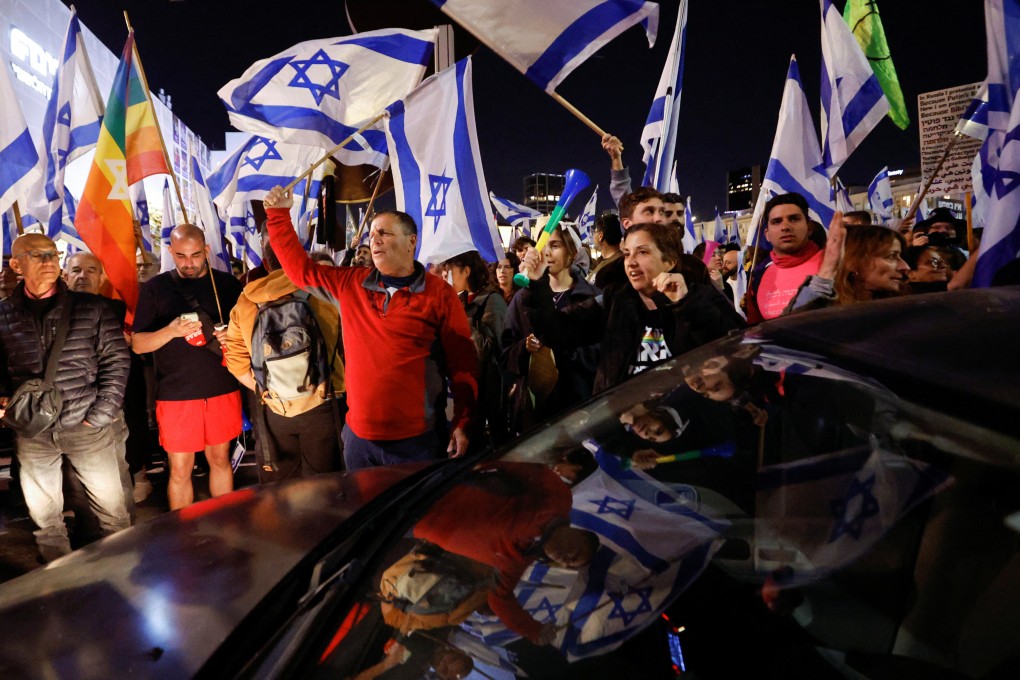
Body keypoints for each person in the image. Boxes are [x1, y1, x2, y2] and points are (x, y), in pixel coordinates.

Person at [262, 186, 478, 469]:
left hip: (418, 441)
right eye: (372, 233)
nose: (373, 240)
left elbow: (463, 363)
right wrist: (278, 215)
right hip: (360, 441)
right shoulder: (350, 283)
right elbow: (301, 270)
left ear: (411, 242)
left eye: (384, 233)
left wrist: (463, 422)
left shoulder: (439, 293)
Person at [0, 234, 131, 562]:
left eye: (52, 254)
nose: (48, 261)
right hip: (33, 434)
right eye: (37, 255)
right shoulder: (4, 315)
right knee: (46, 521)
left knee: (113, 513)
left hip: (85, 426)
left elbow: (116, 362)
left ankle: (123, 573)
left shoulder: (92, 308)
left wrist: (99, 415)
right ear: (16, 265)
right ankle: (60, 583)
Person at [519, 222, 744, 394]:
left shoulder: (701, 296)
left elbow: (734, 348)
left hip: (682, 421)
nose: (631, 261)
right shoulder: (615, 300)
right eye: (627, 253)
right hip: (624, 427)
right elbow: (556, 332)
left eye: (643, 252)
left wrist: (686, 304)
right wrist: (537, 285)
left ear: (670, 260)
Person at [412, 462, 598, 645]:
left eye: (570, 564)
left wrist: (533, 630)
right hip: (437, 487)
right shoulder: (559, 501)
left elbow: (500, 600)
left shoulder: (517, 561)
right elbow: (529, 468)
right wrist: (479, 463)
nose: (567, 561)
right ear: (578, 532)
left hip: (414, 522)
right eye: (577, 553)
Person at [131, 224, 243, 510]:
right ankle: (182, 536)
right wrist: (170, 331)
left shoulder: (227, 285)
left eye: (195, 255)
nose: (189, 263)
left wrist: (230, 336)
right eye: (180, 256)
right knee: (180, 469)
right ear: (170, 251)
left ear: (206, 250)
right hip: (176, 393)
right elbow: (138, 344)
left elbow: (249, 336)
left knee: (220, 460)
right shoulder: (156, 288)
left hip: (221, 387)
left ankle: (226, 522)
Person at [223, 231, 346, 480]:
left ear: (266, 264)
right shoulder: (326, 291)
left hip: (273, 410)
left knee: (280, 489)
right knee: (328, 484)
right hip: (325, 401)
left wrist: (268, 390)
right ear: (300, 259)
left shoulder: (245, 301)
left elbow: (236, 364)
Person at [503, 224, 600, 432]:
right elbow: (506, 349)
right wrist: (524, 349)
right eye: (543, 245)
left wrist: (556, 353)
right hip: (535, 410)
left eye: (555, 245)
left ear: (572, 253)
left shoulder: (591, 297)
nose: (546, 252)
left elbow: (599, 354)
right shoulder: (523, 298)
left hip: (580, 407)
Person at [444, 249, 508, 445]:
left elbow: (487, 348)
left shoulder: (492, 300)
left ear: (466, 271)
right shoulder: (464, 299)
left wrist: (461, 316)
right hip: (468, 386)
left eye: (451, 272)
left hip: (487, 390)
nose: (447, 278)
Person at [786, 217, 909, 311]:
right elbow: (792, 332)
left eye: (901, 256)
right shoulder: (827, 315)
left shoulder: (907, 308)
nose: (905, 267)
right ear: (853, 262)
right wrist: (827, 270)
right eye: (891, 256)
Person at [744, 193, 825, 323]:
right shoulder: (758, 276)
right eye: (776, 221)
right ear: (767, 234)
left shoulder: (834, 266)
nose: (785, 227)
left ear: (810, 228)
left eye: (794, 219)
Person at [587, 213, 623, 286]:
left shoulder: (617, 265)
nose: (593, 236)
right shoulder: (608, 261)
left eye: (595, 232)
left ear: (600, 235)